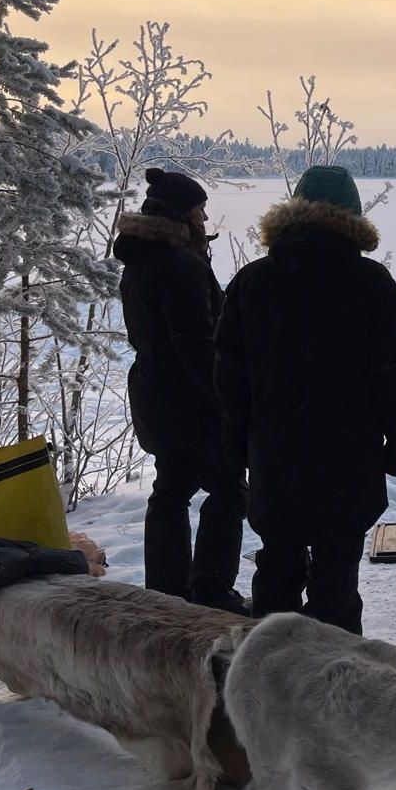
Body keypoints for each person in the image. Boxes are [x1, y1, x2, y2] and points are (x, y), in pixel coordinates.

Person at [215, 166, 396, 634]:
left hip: (275, 451)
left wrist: (236, 441)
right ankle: (337, 684)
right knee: (337, 577)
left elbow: (228, 376)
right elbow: (392, 370)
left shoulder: (251, 282)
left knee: (276, 568)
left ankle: (267, 682)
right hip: (348, 453)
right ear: (353, 215)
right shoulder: (371, 283)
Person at [115, 168, 247, 613]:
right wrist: (228, 402)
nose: (205, 220)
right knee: (229, 489)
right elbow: (196, 348)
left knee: (171, 489)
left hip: (155, 397)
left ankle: (167, 591)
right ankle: (210, 589)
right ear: (181, 215)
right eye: (200, 211)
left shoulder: (142, 262)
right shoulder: (179, 266)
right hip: (190, 403)